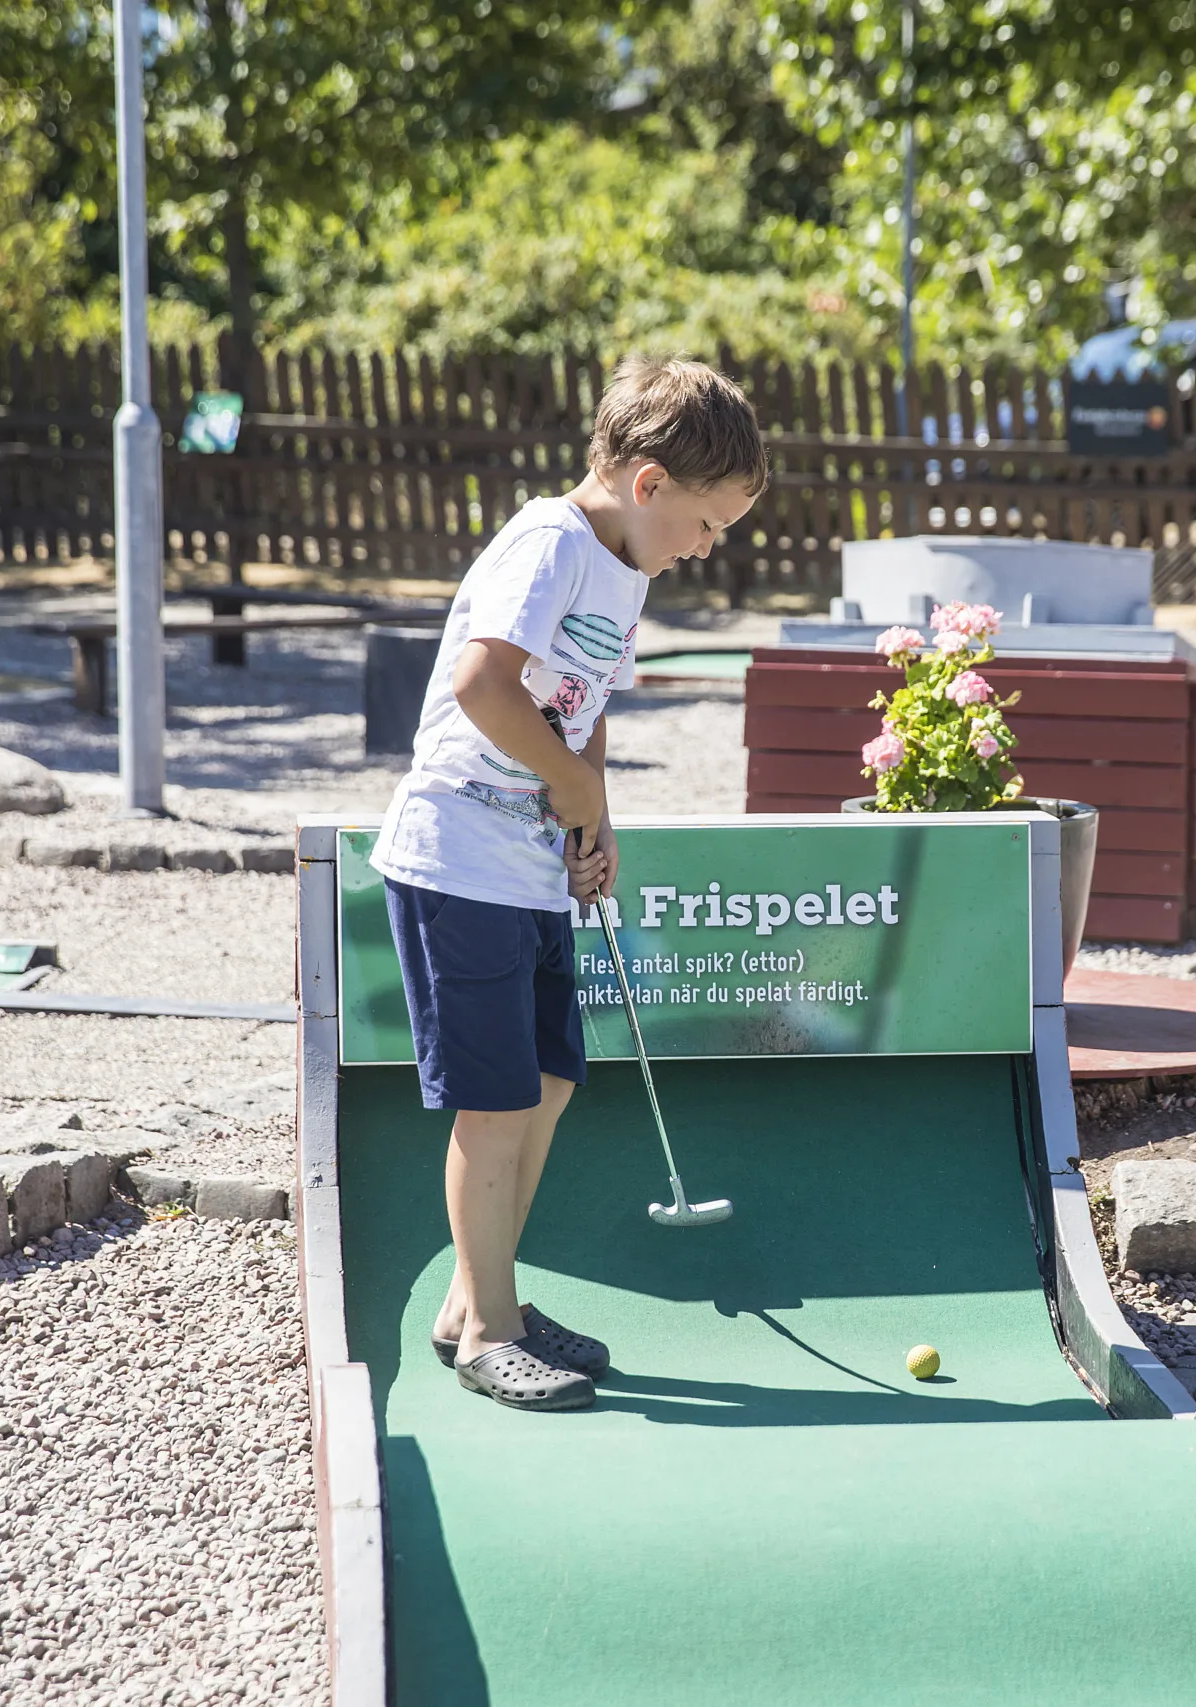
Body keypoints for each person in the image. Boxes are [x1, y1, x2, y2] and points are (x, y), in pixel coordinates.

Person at [367, 356, 767, 1412]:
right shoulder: (547, 544)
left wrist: (596, 820)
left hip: (532, 871)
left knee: (545, 1086)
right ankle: (488, 1331)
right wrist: (571, 788)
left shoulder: (623, 571)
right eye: (706, 524)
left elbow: (579, 708)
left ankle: (473, 1300)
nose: (704, 549)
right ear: (648, 486)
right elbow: (484, 687)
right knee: (492, 1109)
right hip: (458, 863)